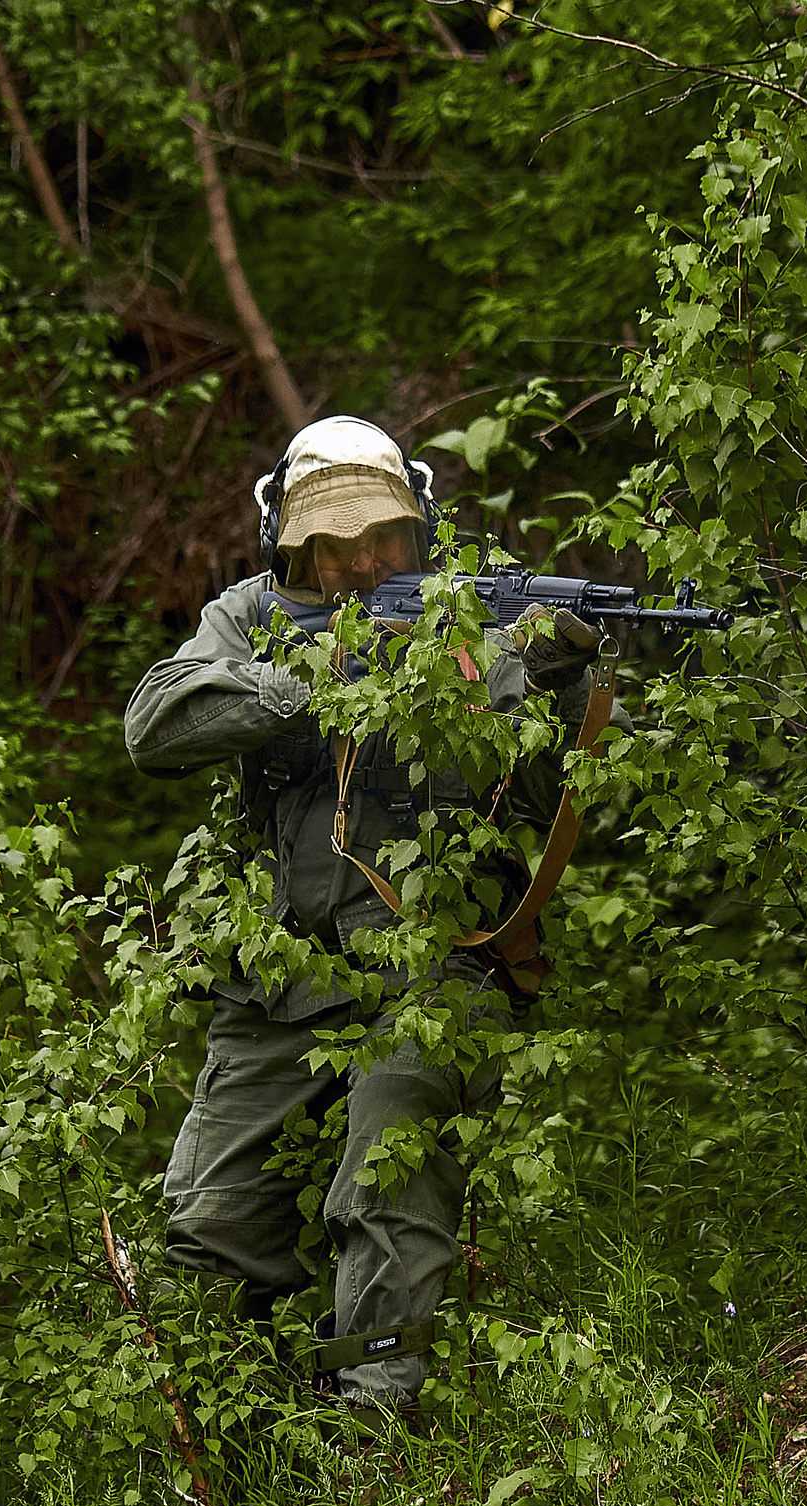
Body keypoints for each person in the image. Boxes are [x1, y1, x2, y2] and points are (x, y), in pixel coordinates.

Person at [123, 415, 603, 1417]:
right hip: (281, 977)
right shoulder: (250, 616)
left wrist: (561, 686)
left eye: (381, 538)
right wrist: (317, 680)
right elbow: (155, 722)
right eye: (334, 542)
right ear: (289, 542)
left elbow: (579, 790)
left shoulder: (478, 616)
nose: (359, 561)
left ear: (417, 528)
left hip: (438, 973)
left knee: (385, 1173)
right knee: (206, 1230)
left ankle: (373, 1437)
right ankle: (226, 1450)